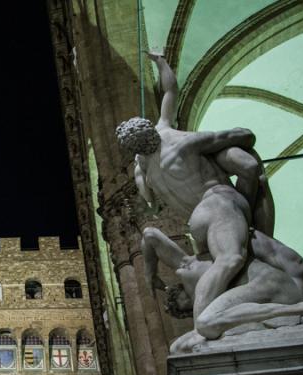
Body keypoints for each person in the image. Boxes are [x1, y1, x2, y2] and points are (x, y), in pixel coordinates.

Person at [117, 52, 276, 325]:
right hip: (220, 203)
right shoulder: (175, 141)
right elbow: (171, 91)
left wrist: (148, 274)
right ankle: (205, 318)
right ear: (150, 132)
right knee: (232, 257)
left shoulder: (142, 167)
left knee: (229, 261)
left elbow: (150, 206)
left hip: (197, 221)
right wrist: (161, 62)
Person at [140, 226, 303, 352]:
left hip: (270, 286)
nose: (188, 302)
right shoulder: (194, 266)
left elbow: (150, 234)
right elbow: (150, 235)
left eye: (183, 301)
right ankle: (302, 308)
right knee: (180, 345)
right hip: (278, 289)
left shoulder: (189, 269)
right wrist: (150, 274)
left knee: (201, 326)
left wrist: (150, 274)